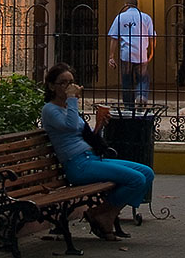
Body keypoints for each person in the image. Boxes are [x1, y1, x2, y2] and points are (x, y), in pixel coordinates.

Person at [40, 62, 153, 242]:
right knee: (136, 179)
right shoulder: (50, 110)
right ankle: (105, 216)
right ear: (52, 86)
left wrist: (100, 125)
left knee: (146, 173)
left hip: (90, 158)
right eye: (63, 83)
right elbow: (70, 126)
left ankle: (101, 213)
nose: (68, 87)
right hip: (78, 165)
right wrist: (72, 99)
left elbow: (82, 135)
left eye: (71, 82)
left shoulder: (68, 108)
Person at [107, 0, 155, 109]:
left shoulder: (120, 17)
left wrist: (111, 56)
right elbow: (152, 37)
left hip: (126, 54)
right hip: (141, 53)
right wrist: (151, 52)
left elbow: (114, 38)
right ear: (137, 5)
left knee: (126, 80)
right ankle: (141, 96)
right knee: (143, 78)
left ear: (126, 5)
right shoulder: (146, 17)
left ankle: (129, 105)